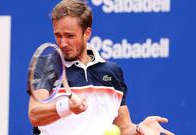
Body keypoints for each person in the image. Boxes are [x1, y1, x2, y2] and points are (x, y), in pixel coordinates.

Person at [27, 0, 174, 135]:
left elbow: (123, 127)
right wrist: (66, 106)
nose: (63, 43)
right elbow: (35, 114)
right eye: (58, 35)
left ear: (87, 33)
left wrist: (138, 129)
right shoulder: (46, 65)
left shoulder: (112, 72)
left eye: (69, 36)